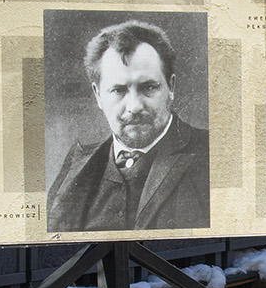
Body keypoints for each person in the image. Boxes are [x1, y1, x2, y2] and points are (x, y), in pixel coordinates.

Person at [46, 20, 210, 232]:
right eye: (118, 90)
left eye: (149, 87)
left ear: (171, 87)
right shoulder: (77, 164)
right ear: (98, 95)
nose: (134, 106)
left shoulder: (211, 154)